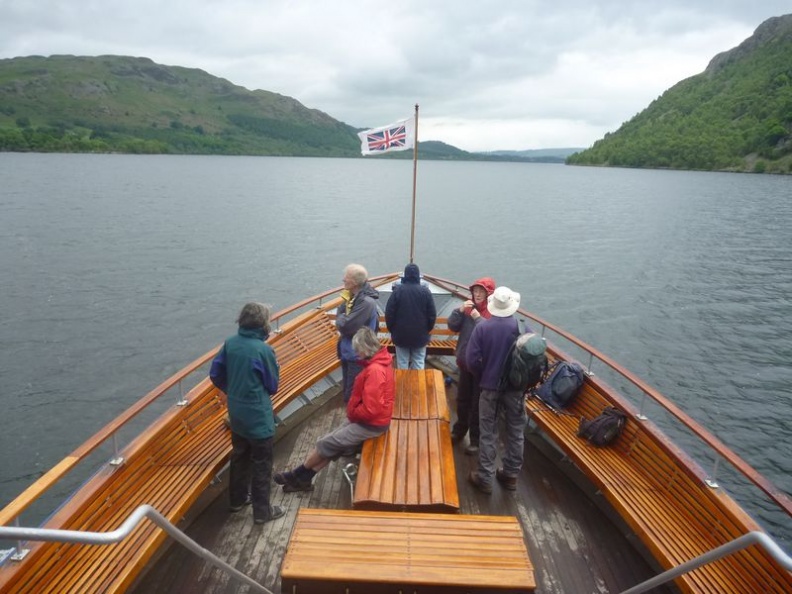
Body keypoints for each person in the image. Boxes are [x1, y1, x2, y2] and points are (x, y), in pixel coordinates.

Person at [274, 327, 395, 492]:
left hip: (371, 424)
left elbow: (371, 409)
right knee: (333, 444)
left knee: (325, 443)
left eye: (357, 350)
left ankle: (295, 475)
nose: (356, 354)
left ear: (366, 349)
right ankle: (303, 479)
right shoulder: (380, 363)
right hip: (371, 421)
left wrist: (352, 413)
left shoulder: (375, 370)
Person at [209, 302, 286, 524]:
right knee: (261, 462)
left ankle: (237, 500)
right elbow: (272, 386)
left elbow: (216, 374)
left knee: (239, 455)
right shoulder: (263, 350)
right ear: (263, 323)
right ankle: (263, 513)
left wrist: (232, 390)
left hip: (237, 413)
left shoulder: (230, 344)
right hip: (258, 416)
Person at [465, 286, 525, 494]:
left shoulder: (483, 328)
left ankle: (485, 478)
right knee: (516, 431)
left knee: (488, 433)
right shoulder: (522, 327)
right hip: (516, 390)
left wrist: (483, 377)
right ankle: (510, 475)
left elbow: (471, 360)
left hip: (489, 388)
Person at [447, 277, 495, 455]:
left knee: (478, 405)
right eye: (475, 291)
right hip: (465, 364)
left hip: (481, 369)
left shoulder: (492, 313)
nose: (477, 294)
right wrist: (459, 311)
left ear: (489, 294)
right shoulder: (468, 308)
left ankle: (475, 440)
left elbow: (489, 334)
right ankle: (459, 431)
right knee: (462, 400)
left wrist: (476, 317)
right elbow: (452, 326)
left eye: (481, 291)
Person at [336, 263, 380, 402]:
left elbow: (346, 326)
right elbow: (341, 314)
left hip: (357, 355)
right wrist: (342, 316)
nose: (343, 279)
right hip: (348, 352)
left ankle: (355, 421)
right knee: (348, 392)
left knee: (353, 395)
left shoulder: (365, 302)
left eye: (346, 277)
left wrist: (341, 317)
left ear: (355, 282)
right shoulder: (353, 297)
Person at [384, 263, 437, 369]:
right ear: (418, 276)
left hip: (400, 336)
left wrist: (392, 330)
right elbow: (432, 315)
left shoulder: (397, 291)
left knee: (402, 363)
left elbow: (389, 313)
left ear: (405, 276)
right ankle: (418, 384)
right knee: (418, 361)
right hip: (420, 336)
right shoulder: (425, 292)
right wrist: (427, 329)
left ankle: (403, 385)